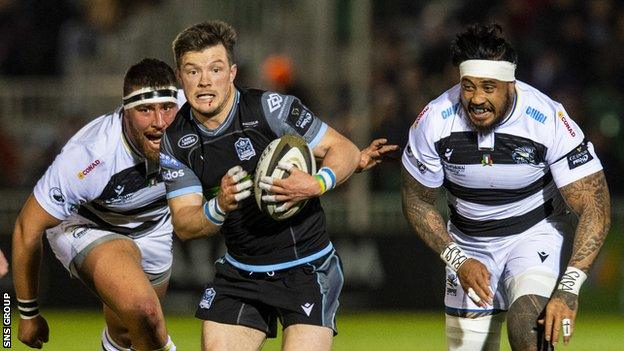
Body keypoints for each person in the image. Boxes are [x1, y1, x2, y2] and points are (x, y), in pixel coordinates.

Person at [160, 20, 395, 351]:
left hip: (307, 268)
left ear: (232, 72)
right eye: (192, 71)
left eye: (215, 69)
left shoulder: (270, 109)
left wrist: (316, 183)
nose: (204, 81)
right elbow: (185, 223)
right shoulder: (174, 140)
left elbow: (342, 149)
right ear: (179, 77)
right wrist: (219, 206)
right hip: (241, 272)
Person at [401, 24, 610, 350]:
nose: (477, 99)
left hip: (534, 235)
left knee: (528, 327)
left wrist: (568, 288)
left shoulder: (547, 118)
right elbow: (416, 199)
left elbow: (594, 203)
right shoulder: (434, 120)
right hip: (468, 245)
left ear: (510, 85)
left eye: (488, 87)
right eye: (468, 87)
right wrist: (457, 259)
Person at [12, 58, 180, 351]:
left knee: (127, 334)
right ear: (125, 112)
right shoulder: (89, 157)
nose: (159, 123)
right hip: (90, 226)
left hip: (155, 228)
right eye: (144, 110)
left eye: (166, 108)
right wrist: (28, 312)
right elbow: (27, 228)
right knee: (146, 312)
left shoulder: (191, 116)